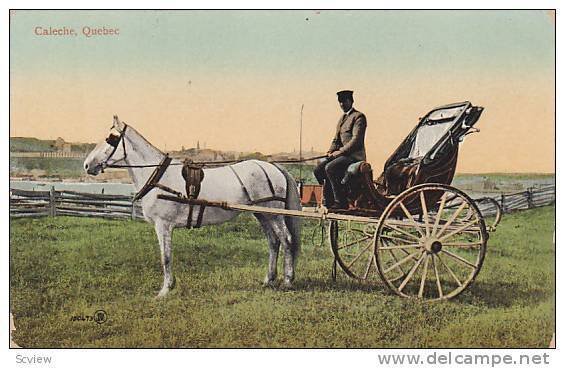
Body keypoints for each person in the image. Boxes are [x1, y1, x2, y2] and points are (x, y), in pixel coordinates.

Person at [314, 90, 367, 209]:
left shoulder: (359, 117)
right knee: (318, 170)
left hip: (354, 157)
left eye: (344, 101)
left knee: (330, 168)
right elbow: (336, 140)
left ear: (351, 101)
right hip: (342, 156)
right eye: (340, 102)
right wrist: (330, 151)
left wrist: (339, 152)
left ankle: (341, 202)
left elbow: (356, 141)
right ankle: (329, 199)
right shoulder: (342, 119)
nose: (342, 104)